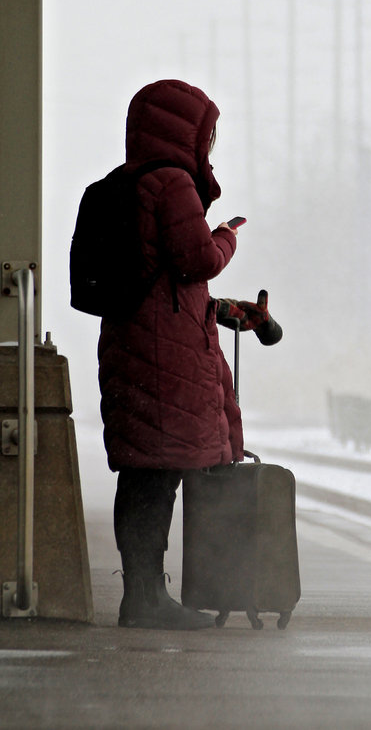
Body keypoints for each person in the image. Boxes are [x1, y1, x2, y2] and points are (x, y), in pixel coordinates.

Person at [98, 79, 267, 630]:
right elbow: (195, 261)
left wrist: (218, 309)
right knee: (158, 473)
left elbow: (166, 281)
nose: (209, 146)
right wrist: (226, 237)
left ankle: (144, 593)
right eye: (207, 134)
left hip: (138, 341)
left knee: (146, 472)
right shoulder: (172, 183)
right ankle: (146, 600)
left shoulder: (131, 183)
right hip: (163, 355)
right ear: (184, 132)